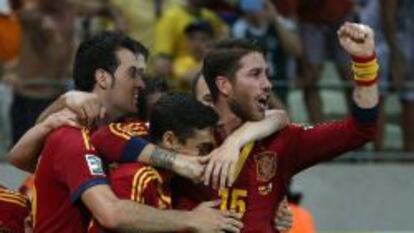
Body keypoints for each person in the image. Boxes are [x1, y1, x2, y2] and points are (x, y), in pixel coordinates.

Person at [9, 32, 243, 233]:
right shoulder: (71, 137)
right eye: (133, 73)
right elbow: (111, 213)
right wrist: (192, 219)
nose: (141, 83)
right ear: (103, 78)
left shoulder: (128, 127)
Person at [173, 22, 379, 233]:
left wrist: (365, 62)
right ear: (224, 86)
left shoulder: (282, 140)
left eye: (266, 74)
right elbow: (137, 144)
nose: (268, 84)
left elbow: (361, 130)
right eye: (255, 74)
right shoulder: (180, 138)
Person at [232, 0, 302, 106]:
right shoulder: (240, 28)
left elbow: (296, 51)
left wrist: (274, 19)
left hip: (281, 83)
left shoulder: (282, 24)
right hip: (254, 85)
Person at [381, 0, 414, 151]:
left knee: (410, 100)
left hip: (405, 38)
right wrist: (395, 57)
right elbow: (387, 17)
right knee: (377, 97)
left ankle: (409, 154)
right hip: (388, 41)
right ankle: (377, 156)